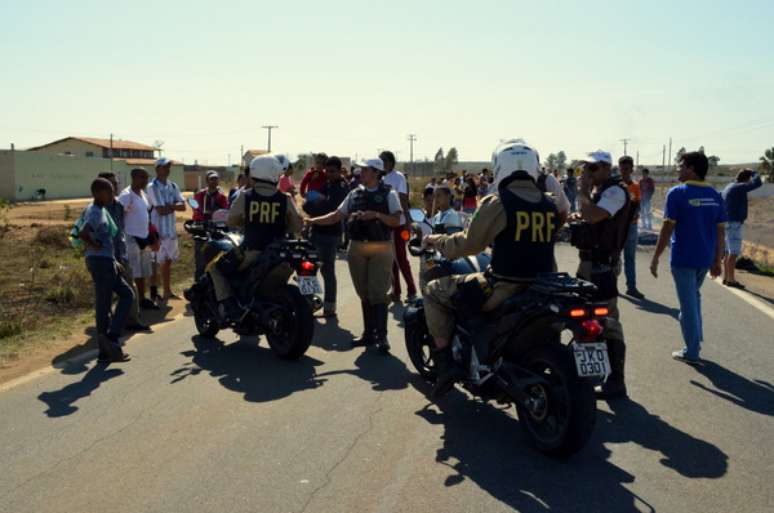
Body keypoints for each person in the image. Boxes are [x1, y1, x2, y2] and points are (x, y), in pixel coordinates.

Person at [422, 139, 559, 398]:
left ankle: (445, 365)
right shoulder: (549, 203)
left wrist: (437, 241)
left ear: (500, 166)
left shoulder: (498, 202)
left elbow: (469, 243)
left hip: (504, 288)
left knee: (433, 290)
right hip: (544, 286)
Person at [306, 158, 402, 352]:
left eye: (365, 170)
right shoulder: (354, 194)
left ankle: (381, 337)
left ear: (376, 172)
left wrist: (376, 215)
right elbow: (336, 216)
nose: (361, 173)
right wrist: (312, 221)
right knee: (364, 293)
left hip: (381, 247)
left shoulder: (389, 194)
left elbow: (397, 220)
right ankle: (368, 334)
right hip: (357, 247)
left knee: (378, 293)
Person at [650, 151, 726, 363]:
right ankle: (696, 339)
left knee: (687, 306)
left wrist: (656, 257)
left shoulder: (677, 193)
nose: (677, 169)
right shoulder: (715, 195)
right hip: (704, 259)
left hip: (683, 258)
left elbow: (666, 228)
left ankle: (692, 351)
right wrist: (717, 260)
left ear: (691, 169)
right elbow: (720, 231)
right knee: (694, 298)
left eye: (681, 166)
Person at [210, 155, 303, 322]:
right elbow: (296, 226)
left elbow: (232, 220)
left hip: (251, 252)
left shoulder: (245, 196)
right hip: (278, 254)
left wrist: (245, 223)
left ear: (254, 173)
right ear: (276, 174)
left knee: (215, 268)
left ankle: (230, 306)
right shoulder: (285, 198)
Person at [572, 150, 632, 398]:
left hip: (602, 266)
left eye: (592, 168)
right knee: (584, 319)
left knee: (606, 321)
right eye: (585, 167)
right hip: (589, 263)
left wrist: (583, 193)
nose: (587, 172)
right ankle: (587, 376)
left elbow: (594, 216)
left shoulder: (615, 191)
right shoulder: (601, 190)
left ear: (607, 168)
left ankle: (616, 380)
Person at [78, 178, 132, 363]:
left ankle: (106, 348)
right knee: (112, 301)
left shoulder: (97, 209)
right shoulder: (95, 211)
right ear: (98, 193)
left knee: (114, 299)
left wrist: (112, 258)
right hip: (101, 263)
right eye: (108, 192)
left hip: (104, 261)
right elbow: (83, 233)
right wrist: (96, 245)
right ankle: (111, 340)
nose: (112, 195)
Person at [98, 172, 149, 333]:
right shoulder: (96, 209)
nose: (114, 187)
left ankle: (131, 320)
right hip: (104, 258)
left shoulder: (118, 206)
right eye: (110, 184)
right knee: (104, 294)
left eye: (116, 184)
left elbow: (121, 230)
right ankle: (105, 328)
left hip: (122, 255)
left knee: (129, 289)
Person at [302, 156, 350, 317]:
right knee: (307, 269)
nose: (329, 174)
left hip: (330, 234)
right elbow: (307, 202)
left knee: (327, 270)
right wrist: (318, 203)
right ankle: (307, 303)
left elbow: (333, 210)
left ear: (339, 170)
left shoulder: (342, 187)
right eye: (327, 171)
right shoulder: (327, 184)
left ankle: (329, 307)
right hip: (316, 231)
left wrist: (318, 204)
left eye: (332, 171)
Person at [118, 168, 159, 311]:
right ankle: (134, 302)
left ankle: (142, 299)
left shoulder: (143, 195)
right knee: (134, 272)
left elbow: (147, 216)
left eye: (147, 178)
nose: (145, 180)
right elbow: (119, 216)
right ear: (134, 177)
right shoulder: (126, 195)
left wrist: (153, 237)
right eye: (143, 177)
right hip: (131, 238)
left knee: (143, 271)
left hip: (144, 238)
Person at [380, 150, 418, 303]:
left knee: (401, 258)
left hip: (399, 223)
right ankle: (396, 291)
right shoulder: (380, 178)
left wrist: (408, 221)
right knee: (390, 260)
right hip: (385, 224)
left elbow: (403, 199)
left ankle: (412, 290)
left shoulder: (398, 177)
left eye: (383, 160)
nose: (381, 163)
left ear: (390, 162)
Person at [147, 158, 186, 301]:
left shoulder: (173, 186)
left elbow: (183, 206)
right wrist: (173, 205)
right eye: (165, 167)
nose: (168, 169)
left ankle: (167, 291)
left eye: (169, 167)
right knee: (155, 263)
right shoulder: (152, 187)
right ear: (157, 169)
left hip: (170, 230)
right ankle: (153, 293)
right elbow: (160, 210)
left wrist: (170, 206)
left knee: (168, 261)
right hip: (157, 231)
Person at [722, 169, 763, 288]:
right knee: (733, 253)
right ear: (746, 179)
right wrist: (754, 172)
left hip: (727, 222)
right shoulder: (739, 187)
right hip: (734, 223)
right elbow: (758, 183)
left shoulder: (730, 186)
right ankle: (731, 280)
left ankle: (726, 278)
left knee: (728, 252)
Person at [191, 170, 229, 279]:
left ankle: (212, 282)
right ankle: (198, 283)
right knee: (200, 258)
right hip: (201, 228)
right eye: (211, 179)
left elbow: (225, 212)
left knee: (214, 258)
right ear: (207, 181)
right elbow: (196, 210)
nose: (214, 181)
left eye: (216, 178)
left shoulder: (222, 197)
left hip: (215, 229)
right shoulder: (200, 195)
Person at [619, 156, 645, 299]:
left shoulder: (635, 186)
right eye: (622, 169)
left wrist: (632, 216)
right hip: (617, 228)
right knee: (614, 258)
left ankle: (631, 287)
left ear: (631, 169)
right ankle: (612, 286)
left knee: (630, 258)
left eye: (627, 169)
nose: (624, 172)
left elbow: (638, 205)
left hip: (631, 227)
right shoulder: (615, 185)